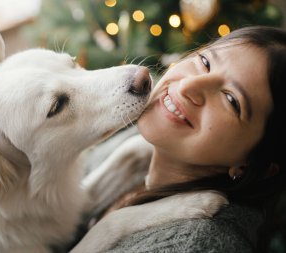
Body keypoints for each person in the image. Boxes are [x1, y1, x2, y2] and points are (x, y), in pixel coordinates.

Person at [70, 26, 286, 253]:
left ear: (254, 164)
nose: (187, 86)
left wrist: (110, 229)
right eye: (205, 61)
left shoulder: (197, 245)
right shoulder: (134, 144)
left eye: (231, 100)